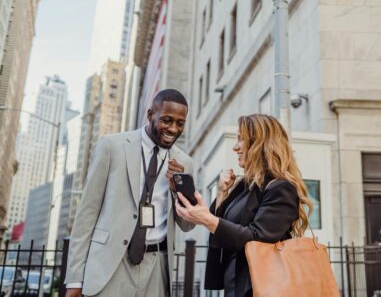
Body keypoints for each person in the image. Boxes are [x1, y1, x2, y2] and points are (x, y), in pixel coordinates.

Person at [65, 89, 195, 297]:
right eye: (167, 120)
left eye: (180, 123)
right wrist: (75, 277)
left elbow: (188, 224)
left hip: (156, 267)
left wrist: (177, 188)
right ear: (151, 115)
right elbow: (87, 214)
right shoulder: (111, 146)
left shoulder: (184, 163)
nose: (173, 129)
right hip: (111, 265)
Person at [176, 114, 313, 297]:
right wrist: (222, 193)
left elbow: (256, 237)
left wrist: (207, 220)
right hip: (235, 285)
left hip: (262, 288)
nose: (235, 147)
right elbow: (223, 225)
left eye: (241, 139)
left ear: (260, 143)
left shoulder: (281, 188)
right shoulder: (246, 185)